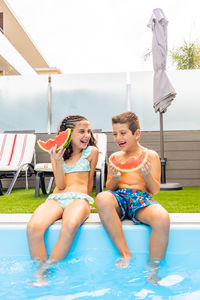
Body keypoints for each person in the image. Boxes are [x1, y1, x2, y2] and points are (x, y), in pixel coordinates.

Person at [96, 112, 170, 284]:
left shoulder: (150, 155)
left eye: (123, 133)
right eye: (115, 134)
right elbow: (109, 188)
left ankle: (153, 270)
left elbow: (155, 189)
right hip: (119, 197)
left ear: (136, 134)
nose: (118, 137)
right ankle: (125, 253)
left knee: (163, 218)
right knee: (102, 198)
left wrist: (146, 176)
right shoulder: (114, 157)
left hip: (141, 199)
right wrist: (114, 178)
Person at [27, 115, 99, 286]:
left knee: (70, 225)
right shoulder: (55, 152)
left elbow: (89, 185)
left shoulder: (92, 152)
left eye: (88, 131)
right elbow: (60, 184)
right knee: (33, 227)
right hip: (57, 197)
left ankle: (46, 270)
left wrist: (85, 203)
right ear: (67, 134)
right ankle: (39, 274)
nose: (87, 135)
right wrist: (58, 162)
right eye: (81, 131)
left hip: (80, 198)